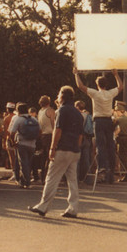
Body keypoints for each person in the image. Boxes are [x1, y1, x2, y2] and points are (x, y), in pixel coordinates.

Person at [28, 86, 84, 218]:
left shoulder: (61, 111)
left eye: (59, 94)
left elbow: (57, 130)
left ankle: (43, 206)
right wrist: (76, 147)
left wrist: (52, 148)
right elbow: (80, 135)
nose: (57, 97)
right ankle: (73, 208)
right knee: (72, 180)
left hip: (63, 148)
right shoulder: (78, 113)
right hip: (74, 150)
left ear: (62, 96)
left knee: (51, 177)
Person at [74, 68, 123, 184]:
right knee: (110, 144)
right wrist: (116, 75)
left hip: (99, 120)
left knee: (100, 144)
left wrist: (76, 74)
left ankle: (102, 167)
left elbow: (81, 86)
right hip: (108, 120)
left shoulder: (95, 93)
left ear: (97, 84)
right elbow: (121, 87)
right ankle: (112, 168)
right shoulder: (110, 93)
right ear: (106, 84)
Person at [9, 102, 38, 188]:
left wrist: (13, 142)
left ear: (18, 110)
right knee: (28, 163)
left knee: (23, 163)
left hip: (22, 143)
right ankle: (23, 181)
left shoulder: (19, 119)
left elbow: (12, 132)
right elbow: (39, 131)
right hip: (32, 144)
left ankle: (27, 183)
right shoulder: (34, 119)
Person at [38, 95, 56, 183]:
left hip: (43, 135)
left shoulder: (40, 112)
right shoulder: (50, 111)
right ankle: (48, 177)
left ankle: (43, 177)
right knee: (50, 157)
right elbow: (53, 123)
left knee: (43, 157)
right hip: (50, 135)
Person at [113, 101, 127, 182]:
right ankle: (126, 174)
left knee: (122, 157)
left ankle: (126, 175)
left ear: (118, 111)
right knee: (125, 157)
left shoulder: (117, 120)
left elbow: (113, 129)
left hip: (120, 138)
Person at [74, 100, 93, 181]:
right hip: (87, 138)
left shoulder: (76, 115)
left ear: (77, 107)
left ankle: (76, 177)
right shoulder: (88, 115)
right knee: (86, 158)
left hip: (78, 137)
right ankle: (87, 177)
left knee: (76, 158)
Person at [2, 102, 17, 179]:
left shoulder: (6, 118)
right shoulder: (17, 117)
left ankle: (14, 173)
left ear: (7, 109)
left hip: (9, 139)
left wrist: (4, 141)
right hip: (17, 139)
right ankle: (20, 172)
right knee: (18, 156)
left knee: (12, 157)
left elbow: (5, 131)